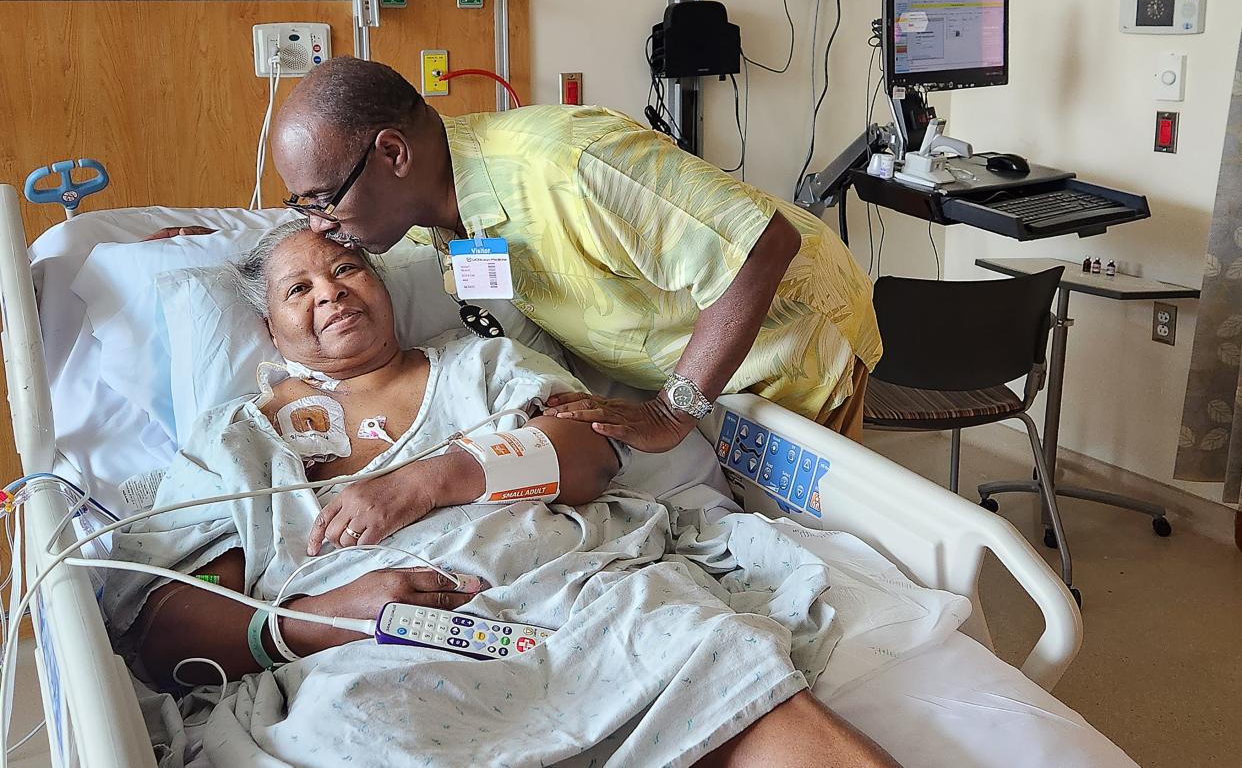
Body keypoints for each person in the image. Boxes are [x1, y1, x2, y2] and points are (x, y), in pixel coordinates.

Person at [107, 221, 897, 768]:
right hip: (377, 654)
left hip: (575, 599)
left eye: (347, 269)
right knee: (360, 730)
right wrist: (314, 620)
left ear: (382, 289)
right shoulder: (235, 439)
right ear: (273, 334)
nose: (332, 292)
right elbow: (171, 626)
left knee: (707, 644)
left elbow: (586, 457)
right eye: (298, 288)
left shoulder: (479, 365)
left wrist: (426, 480)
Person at [149, 57, 881, 452]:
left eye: (320, 202)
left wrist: (672, 410)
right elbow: (314, 237)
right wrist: (233, 238)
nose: (325, 229)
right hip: (704, 372)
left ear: (392, 154)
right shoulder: (437, 213)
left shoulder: (568, 165)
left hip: (796, 351)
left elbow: (764, 247)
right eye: (306, 209)